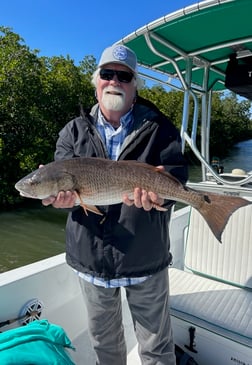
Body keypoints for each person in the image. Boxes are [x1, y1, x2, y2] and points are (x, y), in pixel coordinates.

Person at [43, 44, 188, 365]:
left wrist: (160, 195)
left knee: (156, 350)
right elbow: (63, 183)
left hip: (145, 259)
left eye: (124, 76)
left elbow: (178, 175)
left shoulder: (160, 129)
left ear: (135, 85)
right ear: (96, 82)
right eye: (107, 74)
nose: (114, 81)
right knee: (105, 350)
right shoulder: (72, 132)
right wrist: (64, 200)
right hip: (91, 260)